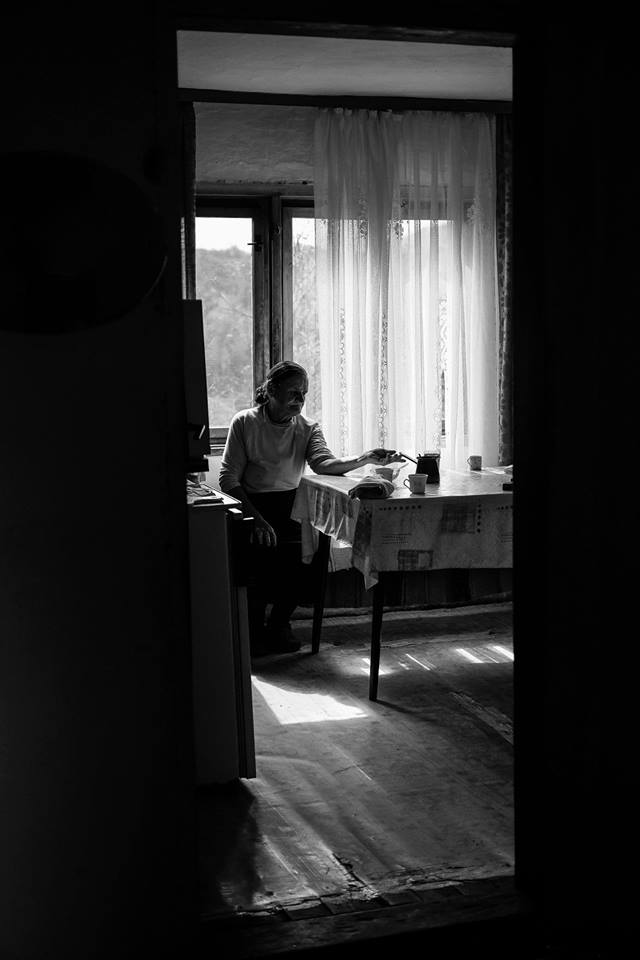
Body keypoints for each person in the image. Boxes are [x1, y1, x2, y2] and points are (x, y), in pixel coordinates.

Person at [218, 360, 403, 656]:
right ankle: (253, 631)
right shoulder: (245, 422)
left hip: (292, 505)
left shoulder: (307, 427)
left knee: (305, 563)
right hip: (252, 505)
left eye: (303, 393)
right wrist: (256, 518)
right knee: (257, 570)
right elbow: (228, 478)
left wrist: (365, 458)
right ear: (271, 390)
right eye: (293, 392)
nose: (300, 399)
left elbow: (323, 463)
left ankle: (279, 624)